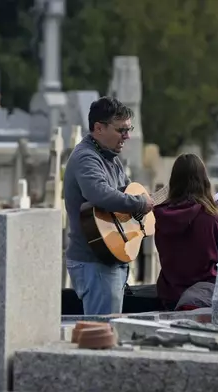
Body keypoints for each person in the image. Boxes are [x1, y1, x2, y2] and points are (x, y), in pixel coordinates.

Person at [63, 96, 154, 315]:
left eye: (129, 129)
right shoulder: (86, 157)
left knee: (106, 332)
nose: (127, 136)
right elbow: (99, 194)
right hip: (94, 262)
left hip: (108, 259)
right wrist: (140, 203)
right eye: (121, 130)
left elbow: (124, 190)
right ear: (98, 128)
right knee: (102, 334)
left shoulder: (109, 156)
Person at [153, 153, 218, 310]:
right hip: (201, 298)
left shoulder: (161, 216)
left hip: (168, 294)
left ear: (173, 181)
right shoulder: (211, 219)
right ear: (204, 180)